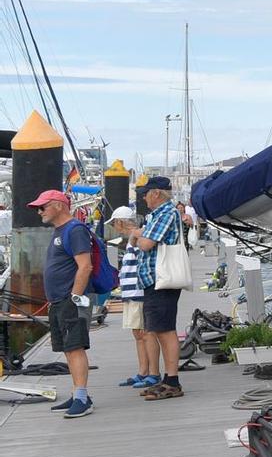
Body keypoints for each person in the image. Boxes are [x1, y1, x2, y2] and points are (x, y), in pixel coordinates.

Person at [29, 189, 95, 418]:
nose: (39, 212)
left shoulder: (74, 230)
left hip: (70, 300)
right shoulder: (60, 231)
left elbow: (85, 266)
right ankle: (79, 393)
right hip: (59, 300)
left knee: (75, 347)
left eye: (42, 207)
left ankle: (82, 398)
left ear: (58, 205)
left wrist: (75, 297)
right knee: (68, 349)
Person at [130, 176, 186, 401]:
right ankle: (166, 378)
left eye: (146, 193)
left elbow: (145, 244)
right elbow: (139, 241)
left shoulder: (166, 213)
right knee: (157, 329)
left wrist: (137, 233)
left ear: (156, 193)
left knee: (165, 330)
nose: (143, 197)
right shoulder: (156, 215)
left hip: (162, 280)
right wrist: (138, 234)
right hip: (153, 281)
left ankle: (173, 381)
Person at [107, 205, 158, 390]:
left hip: (138, 292)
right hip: (130, 292)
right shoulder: (131, 238)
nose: (114, 227)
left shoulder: (138, 236)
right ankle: (143, 371)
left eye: (114, 223)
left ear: (120, 222)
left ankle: (152, 372)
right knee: (138, 334)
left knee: (145, 333)